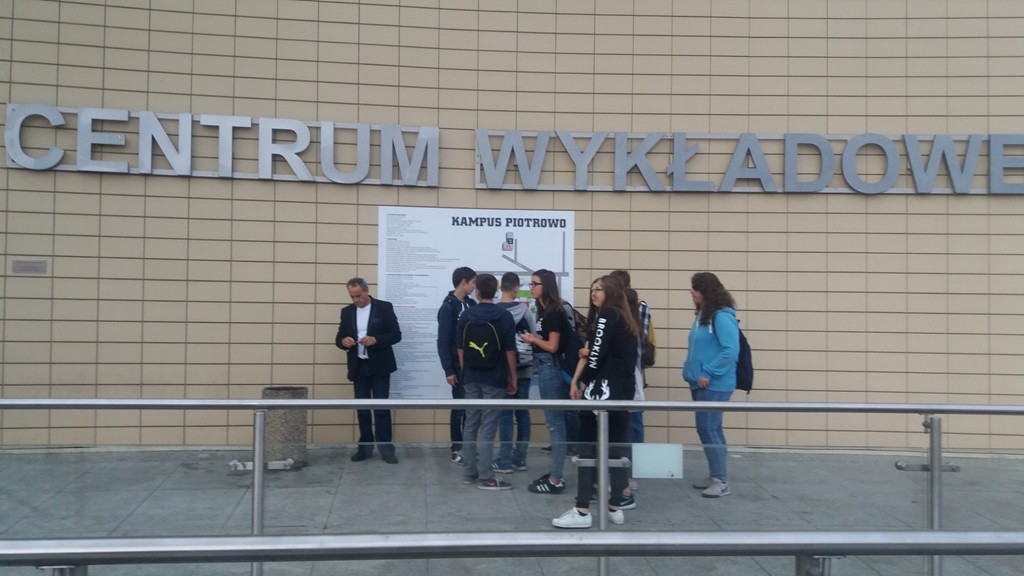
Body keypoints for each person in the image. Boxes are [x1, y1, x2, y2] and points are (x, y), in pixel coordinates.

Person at [552, 275, 638, 529]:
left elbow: (596, 354)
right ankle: (615, 505)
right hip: (622, 393)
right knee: (617, 448)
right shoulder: (626, 319)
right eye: (592, 289)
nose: (594, 293)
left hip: (600, 392)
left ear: (611, 292)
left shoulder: (606, 316)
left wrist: (581, 380)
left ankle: (582, 510)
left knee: (588, 448)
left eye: (599, 289)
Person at [456, 273, 518, 490]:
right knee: (489, 426)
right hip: (494, 377)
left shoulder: (466, 315)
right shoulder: (503, 316)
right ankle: (486, 476)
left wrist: (465, 372)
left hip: (471, 377)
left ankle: (469, 472)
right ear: (496, 290)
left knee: (471, 423)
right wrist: (513, 376)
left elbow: (460, 348)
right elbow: (510, 350)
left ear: (477, 291)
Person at [682, 272, 740, 498]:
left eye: (695, 288)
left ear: (706, 291)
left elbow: (730, 350)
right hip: (701, 382)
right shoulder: (703, 315)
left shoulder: (721, 317)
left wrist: (708, 371)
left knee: (708, 428)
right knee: (709, 428)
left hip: (715, 383)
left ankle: (720, 480)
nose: (691, 292)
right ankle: (716, 474)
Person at [335, 277, 403, 464]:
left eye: (358, 295)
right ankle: (364, 449)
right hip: (359, 367)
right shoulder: (347, 312)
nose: (356, 300)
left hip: (380, 366)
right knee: (362, 409)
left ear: (366, 291)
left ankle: (386, 450)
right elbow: (339, 338)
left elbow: (396, 335)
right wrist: (343, 341)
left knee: (381, 409)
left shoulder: (384, 308)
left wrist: (376, 340)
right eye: (352, 296)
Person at [521, 269, 568, 495]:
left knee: (555, 423)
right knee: (553, 423)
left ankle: (556, 478)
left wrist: (532, 339)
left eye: (535, 284)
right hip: (545, 366)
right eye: (530, 284)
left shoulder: (554, 312)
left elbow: (552, 346)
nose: (531, 288)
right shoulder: (544, 311)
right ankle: (555, 472)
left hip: (551, 367)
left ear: (546, 286)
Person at [493, 272, 535, 473]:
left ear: (501, 288)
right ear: (517, 288)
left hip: (502, 370)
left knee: (505, 415)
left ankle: (504, 460)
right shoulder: (526, 313)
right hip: (524, 369)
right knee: (523, 414)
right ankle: (520, 459)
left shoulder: (494, 312)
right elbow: (534, 337)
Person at [437, 266, 476, 464]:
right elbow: (443, 341)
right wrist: (448, 370)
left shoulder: (471, 304)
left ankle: (469, 447)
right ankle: (457, 448)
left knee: (472, 409)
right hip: (456, 366)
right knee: (459, 408)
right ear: (463, 282)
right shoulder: (448, 307)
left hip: (473, 366)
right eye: (473, 282)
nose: (474, 287)